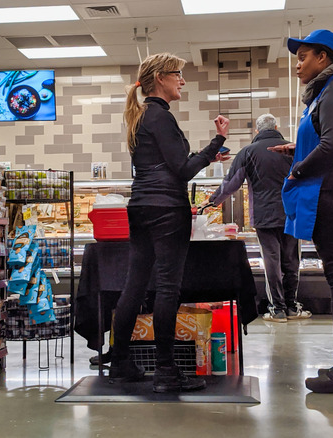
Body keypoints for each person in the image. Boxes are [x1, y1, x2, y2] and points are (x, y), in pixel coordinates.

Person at [109, 52, 230, 393]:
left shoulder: (142, 116)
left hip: (142, 207)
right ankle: (165, 372)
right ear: (160, 78)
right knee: (167, 289)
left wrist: (207, 156)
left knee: (134, 285)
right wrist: (217, 140)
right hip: (166, 210)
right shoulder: (160, 117)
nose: (183, 80)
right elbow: (182, 169)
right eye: (178, 74)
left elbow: (167, 164)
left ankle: (120, 364)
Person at [271, 29, 333, 394]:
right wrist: (297, 149)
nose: (298, 65)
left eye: (303, 57)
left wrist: (298, 169)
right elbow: (329, 139)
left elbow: (331, 146)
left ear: (323, 58)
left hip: (332, 190)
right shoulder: (328, 92)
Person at [208, 113, 311, 322]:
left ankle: (277, 309)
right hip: (292, 213)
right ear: (276, 126)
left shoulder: (248, 152)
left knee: (271, 261)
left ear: (257, 131)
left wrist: (211, 202)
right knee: (291, 260)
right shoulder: (293, 149)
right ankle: (292, 307)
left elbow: (231, 184)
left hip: (264, 216)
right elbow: (308, 177)